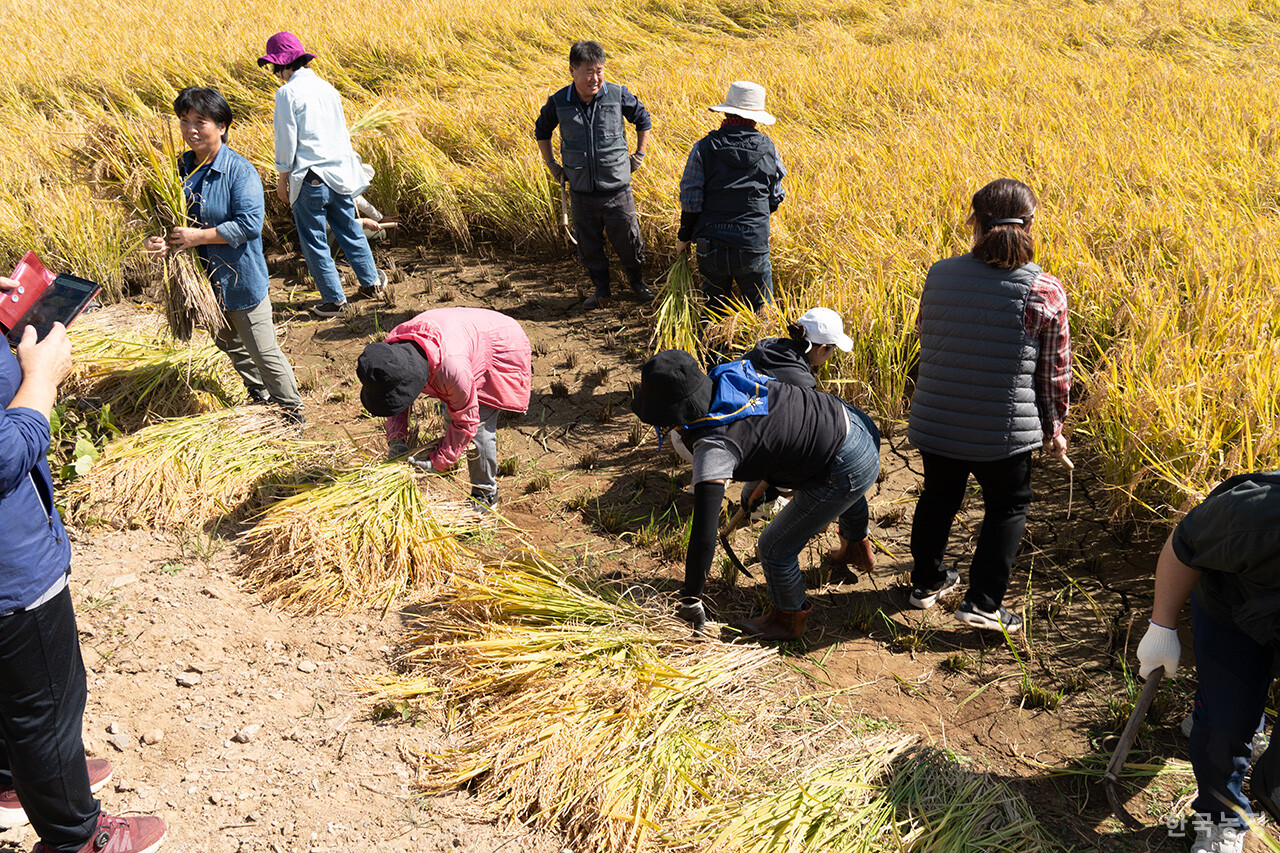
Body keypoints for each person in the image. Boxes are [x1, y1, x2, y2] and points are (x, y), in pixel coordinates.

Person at [0, 286, 167, 853]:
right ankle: (75, 837)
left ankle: (17, 782)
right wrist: (42, 378)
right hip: (12, 571)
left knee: (18, 700)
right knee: (46, 708)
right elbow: (3, 457)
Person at [906, 178, 1072, 633]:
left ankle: (925, 583)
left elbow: (926, 335)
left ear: (974, 223)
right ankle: (982, 603)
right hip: (1004, 433)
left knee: (938, 497)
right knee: (1007, 507)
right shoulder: (1045, 289)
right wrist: (1054, 430)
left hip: (938, 420)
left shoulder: (939, 273)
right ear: (1031, 225)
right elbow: (1053, 375)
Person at [632, 349, 880, 640]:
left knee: (774, 546)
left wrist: (691, 598)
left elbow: (703, 534)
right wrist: (766, 483)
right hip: (853, 423)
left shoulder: (714, 447)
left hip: (846, 462)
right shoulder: (730, 374)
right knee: (846, 487)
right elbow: (776, 426)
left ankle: (787, 619)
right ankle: (856, 548)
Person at [1136, 471, 1280, 853]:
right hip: (1231, 608)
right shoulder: (1257, 515)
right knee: (1225, 726)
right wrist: (1161, 628)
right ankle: (1220, 818)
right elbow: (1185, 544)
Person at [143, 87, 304, 424]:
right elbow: (164, 220)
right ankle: (259, 394)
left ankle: (292, 412)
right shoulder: (178, 168)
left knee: (263, 351)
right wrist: (158, 241)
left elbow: (249, 225)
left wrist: (197, 237)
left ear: (222, 126)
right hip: (203, 285)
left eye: (200, 122)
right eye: (184, 121)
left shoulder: (239, 171)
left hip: (240, 280)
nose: (190, 130)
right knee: (230, 343)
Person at [260, 31, 387, 318]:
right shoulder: (328, 88)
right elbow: (341, 134)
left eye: (275, 67)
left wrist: (282, 178)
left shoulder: (287, 93)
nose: (276, 74)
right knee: (350, 230)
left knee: (314, 241)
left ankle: (334, 301)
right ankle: (371, 284)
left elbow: (285, 139)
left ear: (283, 64)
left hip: (310, 177)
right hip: (339, 175)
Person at [356, 308, 531, 509]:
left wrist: (438, 462)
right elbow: (395, 397)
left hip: (500, 342)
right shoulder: (389, 353)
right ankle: (456, 457)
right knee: (453, 410)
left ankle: (485, 494)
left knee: (478, 430)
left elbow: (467, 421)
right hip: (460, 338)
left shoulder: (452, 368)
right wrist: (396, 439)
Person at [535, 39, 654, 309]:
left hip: (617, 191)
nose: (595, 78)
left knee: (629, 241)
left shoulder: (617, 94)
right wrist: (552, 164)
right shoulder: (559, 102)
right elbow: (542, 130)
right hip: (581, 191)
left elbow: (643, 119)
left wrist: (639, 155)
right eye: (588, 72)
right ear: (572, 70)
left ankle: (637, 283)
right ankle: (602, 289)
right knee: (589, 245)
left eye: (599, 70)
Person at [676, 81, 786, 316]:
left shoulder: (703, 148)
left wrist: (684, 237)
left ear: (726, 113)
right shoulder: (769, 150)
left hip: (710, 244)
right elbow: (775, 197)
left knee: (714, 310)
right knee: (762, 311)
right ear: (755, 118)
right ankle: (760, 341)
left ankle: (711, 341)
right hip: (752, 243)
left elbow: (691, 199)